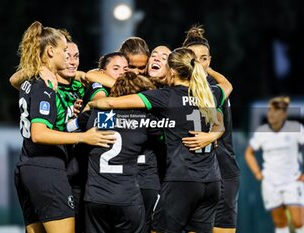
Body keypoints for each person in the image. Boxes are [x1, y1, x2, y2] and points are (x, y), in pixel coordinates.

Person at [87, 47, 226, 233]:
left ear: (173, 71)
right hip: (212, 180)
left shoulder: (167, 96)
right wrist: (216, 133)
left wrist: (92, 104)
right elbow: (227, 86)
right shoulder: (209, 93)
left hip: (182, 179)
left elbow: (111, 103)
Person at [13, 21, 116, 233]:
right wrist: (85, 137)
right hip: (46, 168)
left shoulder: (34, 78)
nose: (68, 57)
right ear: (51, 52)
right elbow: (39, 134)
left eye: (74, 54)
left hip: (28, 166)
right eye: (63, 51)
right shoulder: (46, 85)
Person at [72, 71, 159, 232]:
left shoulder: (96, 114)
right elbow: (167, 135)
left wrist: (85, 108)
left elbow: (68, 128)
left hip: (95, 198)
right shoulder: (145, 119)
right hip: (127, 197)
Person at [182, 24, 239, 233]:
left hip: (223, 170)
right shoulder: (178, 89)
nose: (199, 62)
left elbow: (219, 121)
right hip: (191, 173)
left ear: (210, 60)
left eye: (204, 58)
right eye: (193, 58)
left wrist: (214, 134)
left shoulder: (215, 90)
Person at [245, 96, 304, 233]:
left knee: (298, 221)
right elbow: (249, 153)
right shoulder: (262, 132)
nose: (271, 114)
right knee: (280, 221)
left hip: (292, 180)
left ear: (284, 114)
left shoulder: (295, 128)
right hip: (270, 182)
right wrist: (257, 173)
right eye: (269, 110)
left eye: (275, 111)